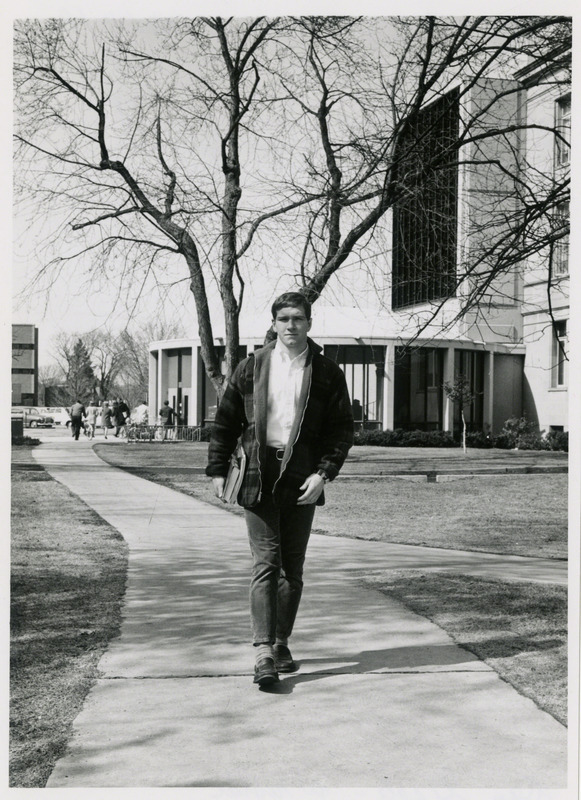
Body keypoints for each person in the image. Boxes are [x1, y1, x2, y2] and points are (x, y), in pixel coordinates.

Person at [206, 291, 354, 688]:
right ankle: (263, 652)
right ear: (273, 323)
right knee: (266, 563)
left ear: (309, 323)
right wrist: (218, 468)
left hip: (302, 475)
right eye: (284, 318)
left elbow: (341, 431)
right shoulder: (250, 368)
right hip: (257, 472)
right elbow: (226, 422)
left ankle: (282, 641)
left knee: (293, 568)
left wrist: (323, 473)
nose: (291, 325)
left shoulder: (326, 372)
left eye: (299, 318)